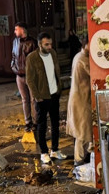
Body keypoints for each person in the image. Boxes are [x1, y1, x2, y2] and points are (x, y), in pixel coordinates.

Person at [26, 32, 66, 164]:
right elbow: (30, 80)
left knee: (55, 123)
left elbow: (56, 72)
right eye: (46, 44)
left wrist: (59, 89)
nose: (49, 46)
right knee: (42, 125)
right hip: (42, 97)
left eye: (50, 44)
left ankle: (55, 149)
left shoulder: (53, 53)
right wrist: (37, 96)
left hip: (54, 94)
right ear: (39, 44)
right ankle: (43, 152)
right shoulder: (32, 58)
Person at [66, 38, 91, 166]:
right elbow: (94, 74)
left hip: (80, 97)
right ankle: (79, 159)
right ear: (85, 44)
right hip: (80, 99)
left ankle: (83, 156)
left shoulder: (79, 56)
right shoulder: (83, 59)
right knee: (82, 131)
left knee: (84, 128)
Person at [11, 22, 34, 132]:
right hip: (19, 75)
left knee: (33, 99)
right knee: (25, 99)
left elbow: (36, 60)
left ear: (22, 30)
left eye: (16, 29)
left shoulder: (32, 42)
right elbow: (13, 56)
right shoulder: (15, 42)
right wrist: (13, 67)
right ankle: (28, 122)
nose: (15, 31)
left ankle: (35, 121)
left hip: (30, 75)